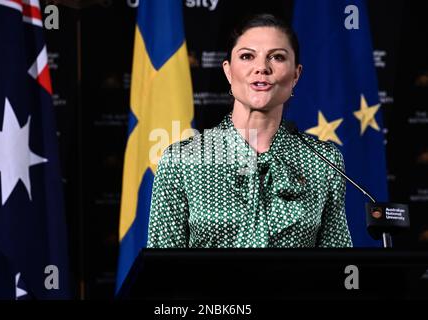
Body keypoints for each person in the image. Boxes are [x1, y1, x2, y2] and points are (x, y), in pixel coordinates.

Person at [147, 13, 353, 248]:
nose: (261, 68)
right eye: (247, 56)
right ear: (228, 71)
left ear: (296, 74)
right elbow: (163, 271)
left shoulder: (324, 161)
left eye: (276, 57)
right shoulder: (180, 161)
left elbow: (337, 265)